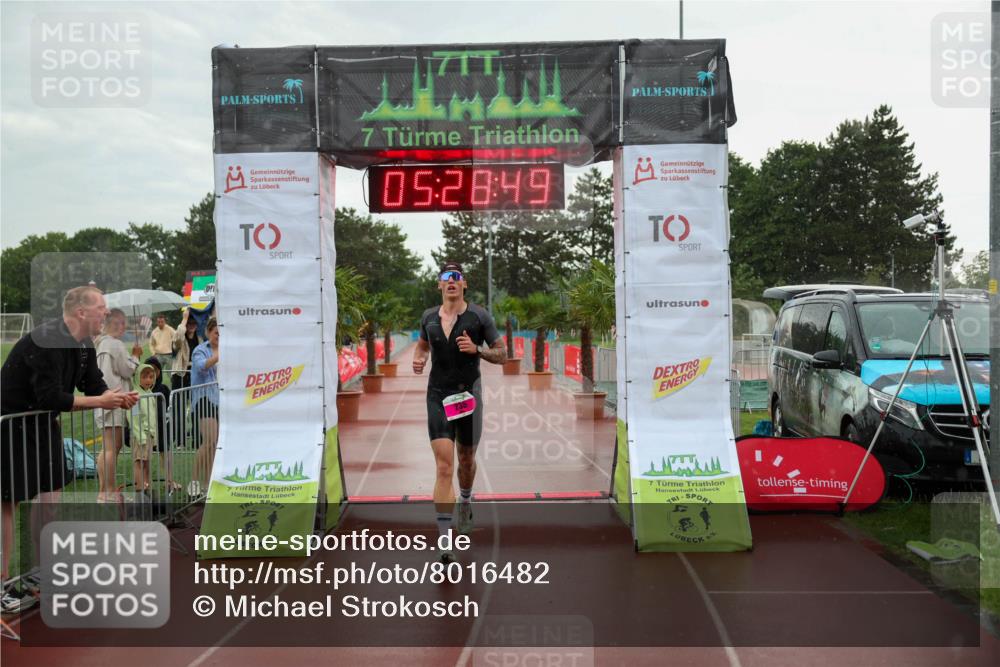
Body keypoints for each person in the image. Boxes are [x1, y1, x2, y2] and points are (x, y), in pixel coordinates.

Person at [0, 286, 138, 613]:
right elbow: (50, 397)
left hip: (43, 426)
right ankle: (2, 584)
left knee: (51, 498)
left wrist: (116, 396)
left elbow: (92, 384)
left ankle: (41, 571)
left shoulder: (85, 344)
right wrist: (101, 401)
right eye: (101, 307)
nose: (106, 312)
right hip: (9, 427)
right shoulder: (45, 340)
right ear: (81, 312)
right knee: (7, 503)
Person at [412, 262, 506, 563]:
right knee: (443, 467)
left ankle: (465, 501)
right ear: (439, 285)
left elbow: (503, 355)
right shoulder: (428, 316)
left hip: (468, 396)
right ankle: (444, 540)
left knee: (466, 461)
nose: (451, 281)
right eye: (445, 277)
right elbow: (423, 346)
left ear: (463, 285)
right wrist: (419, 359)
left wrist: (477, 350)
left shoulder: (479, 316)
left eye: (456, 277)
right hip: (438, 395)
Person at [94, 309, 143, 502]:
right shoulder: (114, 344)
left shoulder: (101, 343)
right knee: (111, 448)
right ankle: (108, 491)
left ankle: (104, 490)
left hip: (104, 399)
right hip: (113, 400)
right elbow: (127, 369)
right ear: (113, 323)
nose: (124, 326)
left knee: (108, 447)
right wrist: (136, 356)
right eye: (121, 323)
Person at [190, 317, 220, 495]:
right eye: (216, 333)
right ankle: (193, 481)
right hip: (203, 399)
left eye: (222, 334)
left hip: (219, 400)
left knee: (215, 444)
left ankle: (207, 483)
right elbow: (202, 367)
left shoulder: (225, 349)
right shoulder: (200, 350)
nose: (219, 337)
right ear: (208, 332)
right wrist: (218, 356)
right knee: (209, 441)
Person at [143, 356, 179, 493]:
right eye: (148, 369)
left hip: (162, 428)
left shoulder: (164, 389)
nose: (152, 373)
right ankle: (146, 483)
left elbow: (170, 410)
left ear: (159, 372)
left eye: (155, 370)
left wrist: (170, 427)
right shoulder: (140, 390)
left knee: (166, 453)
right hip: (146, 430)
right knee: (146, 457)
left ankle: (170, 481)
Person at [129, 364, 159, 492]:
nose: (148, 380)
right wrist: (140, 436)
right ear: (137, 378)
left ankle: (147, 487)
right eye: (145, 377)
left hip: (149, 436)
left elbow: (153, 418)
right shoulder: (135, 395)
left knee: (147, 463)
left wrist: (154, 437)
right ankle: (140, 489)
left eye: (151, 377)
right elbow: (133, 417)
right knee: (139, 462)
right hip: (140, 436)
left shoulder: (150, 394)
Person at [170, 308, 200, 391]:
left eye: (194, 323)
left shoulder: (199, 339)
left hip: (194, 374)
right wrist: (185, 318)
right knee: (179, 403)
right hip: (180, 374)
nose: (192, 325)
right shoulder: (180, 340)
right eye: (189, 323)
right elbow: (179, 335)